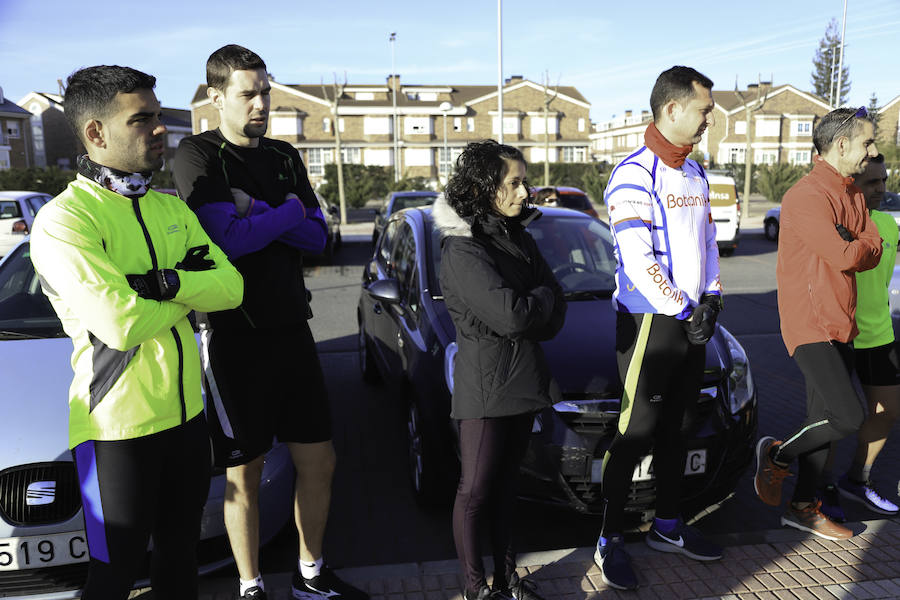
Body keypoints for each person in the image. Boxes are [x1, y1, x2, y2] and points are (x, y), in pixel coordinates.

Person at [29, 65, 243, 600]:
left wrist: (161, 283)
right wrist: (188, 292)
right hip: (114, 433)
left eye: (157, 115)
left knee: (179, 564)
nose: (159, 128)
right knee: (113, 575)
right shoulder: (65, 221)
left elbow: (233, 288)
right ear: (95, 133)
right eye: (140, 119)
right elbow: (120, 325)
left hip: (186, 420)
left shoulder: (170, 207)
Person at [173, 45, 365, 600]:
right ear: (215, 98)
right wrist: (284, 214)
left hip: (292, 329)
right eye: (247, 94)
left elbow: (317, 237)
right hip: (235, 335)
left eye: (265, 92)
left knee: (320, 461)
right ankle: (251, 586)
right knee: (246, 474)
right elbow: (226, 240)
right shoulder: (196, 155)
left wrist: (256, 211)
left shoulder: (283, 155)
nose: (261, 103)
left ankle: (310, 577)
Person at [592, 66, 723, 591]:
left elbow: (708, 241)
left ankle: (667, 525)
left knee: (681, 426)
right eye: (704, 110)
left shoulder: (695, 172)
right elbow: (638, 258)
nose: (709, 120)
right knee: (636, 431)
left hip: (691, 321)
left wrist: (712, 297)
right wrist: (684, 307)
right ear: (672, 109)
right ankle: (608, 539)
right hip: (650, 321)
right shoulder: (632, 174)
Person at [434, 140, 566, 600]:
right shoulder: (462, 249)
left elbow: (555, 300)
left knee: (508, 489)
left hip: (523, 380)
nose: (524, 192)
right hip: (486, 389)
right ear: (482, 187)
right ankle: (475, 590)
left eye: (524, 181)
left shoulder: (519, 237)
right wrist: (539, 301)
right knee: (475, 491)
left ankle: (507, 581)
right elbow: (511, 316)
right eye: (514, 182)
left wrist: (538, 301)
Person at [755, 106, 881, 541]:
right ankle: (777, 455)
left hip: (841, 320)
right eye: (866, 142)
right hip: (809, 323)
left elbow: (874, 249)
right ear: (841, 144)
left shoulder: (855, 195)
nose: (873, 151)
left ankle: (803, 507)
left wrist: (857, 243)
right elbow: (848, 255)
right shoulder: (807, 196)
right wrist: (856, 244)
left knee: (820, 421)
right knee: (845, 416)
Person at [818, 154, 899, 521]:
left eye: (884, 180)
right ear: (851, 183)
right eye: (872, 183)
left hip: (880, 335)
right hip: (838, 336)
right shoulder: (832, 224)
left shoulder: (889, 225)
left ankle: (857, 479)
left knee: (887, 412)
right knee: (836, 421)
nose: (881, 189)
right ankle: (823, 490)